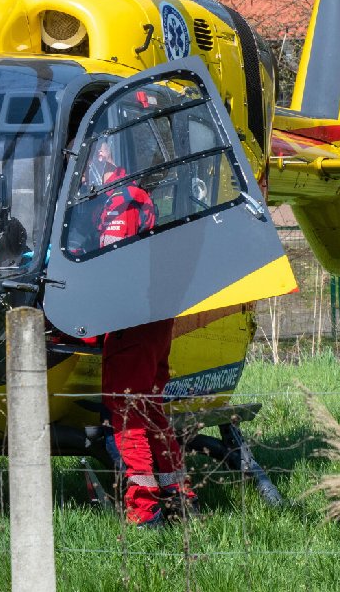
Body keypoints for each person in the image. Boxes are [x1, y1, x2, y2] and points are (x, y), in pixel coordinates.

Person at [89, 137, 198, 527]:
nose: (95, 157)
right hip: (152, 319)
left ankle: (144, 508)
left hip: (131, 321)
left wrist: (89, 323)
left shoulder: (122, 202)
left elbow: (115, 271)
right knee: (150, 409)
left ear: (112, 152)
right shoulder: (126, 198)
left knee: (128, 412)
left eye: (100, 148)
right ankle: (178, 495)